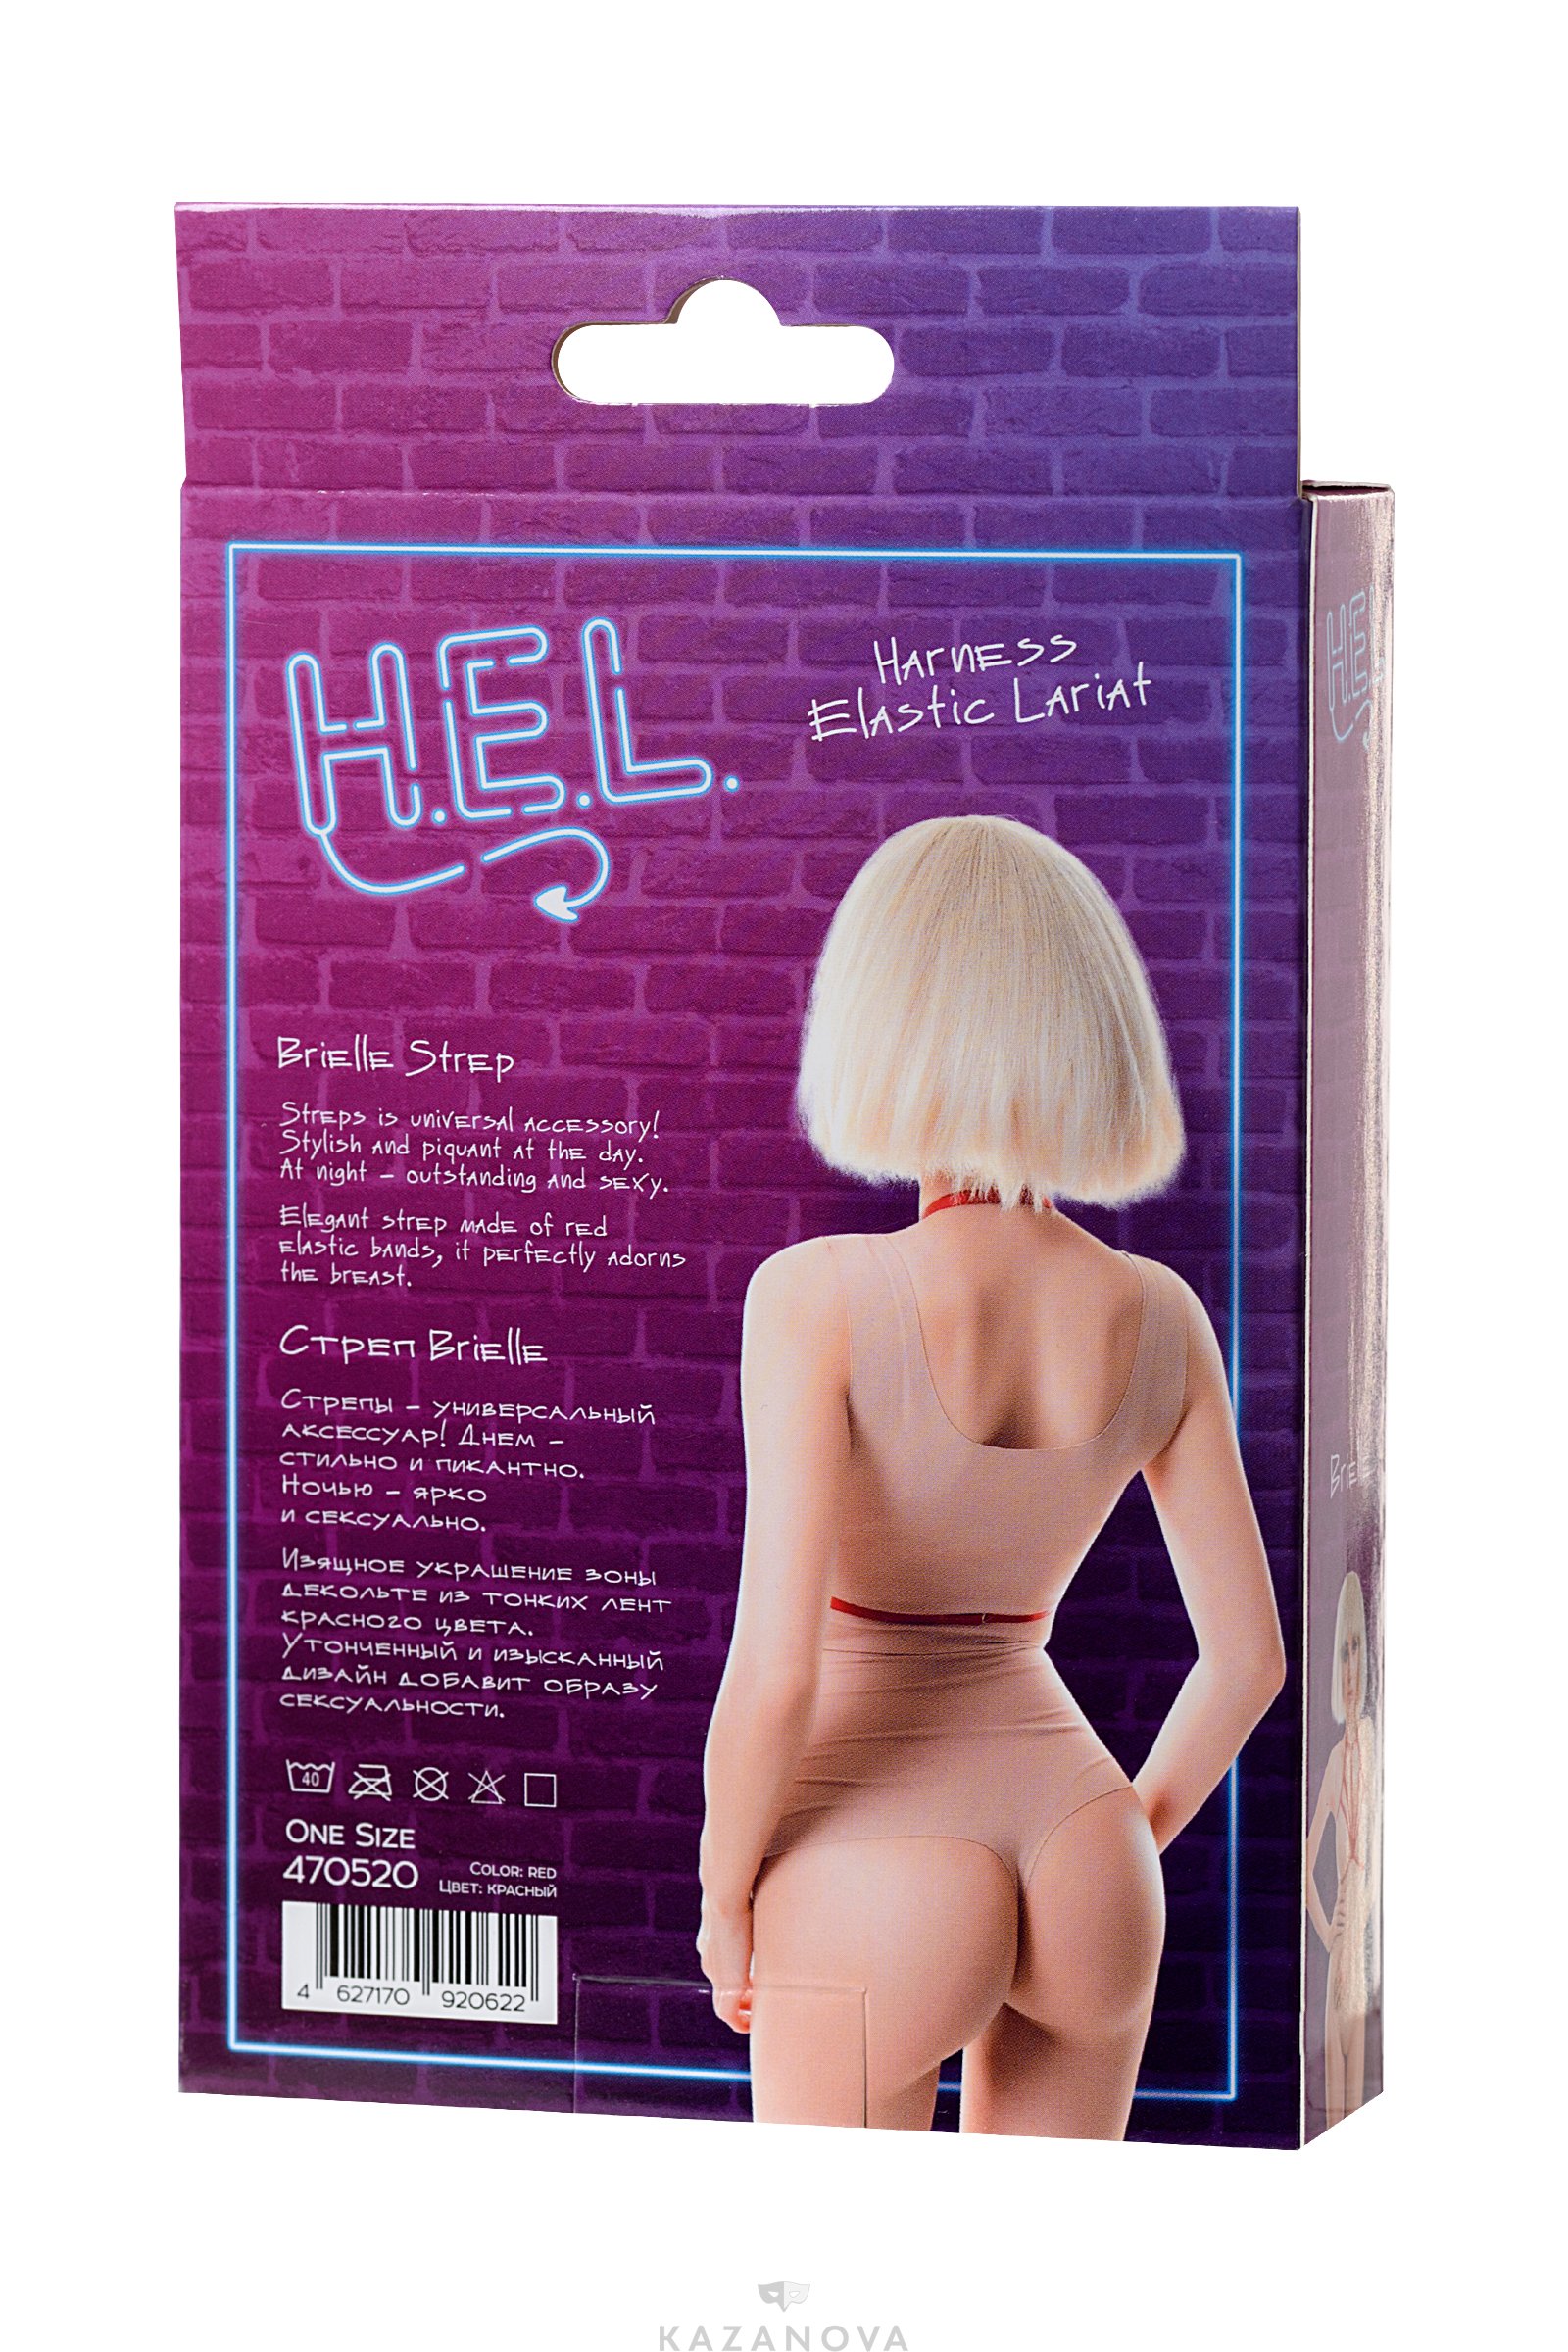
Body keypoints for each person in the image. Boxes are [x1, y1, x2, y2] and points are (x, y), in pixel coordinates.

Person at [696, 813, 1286, 2136]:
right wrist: (1121, 1832)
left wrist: (723, 1895)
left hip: (868, 1847)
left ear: (879, 1023)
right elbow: (1248, 1662)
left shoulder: (817, 1296)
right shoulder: (1161, 1315)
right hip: (1084, 1835)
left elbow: (778, 1674)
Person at [1305, 1570, 1380, 2125]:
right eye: (1342, 1653)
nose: (1350, 1668)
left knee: (1357, 2106)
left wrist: (1365, 1909)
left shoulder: (1373, 1745)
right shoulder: (1334, 1762)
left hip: (1363, 1956)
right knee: (1336, 2106)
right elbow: (1304, 1865)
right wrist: (1326, 1930)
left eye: (1357, 1649)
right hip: (1340, 1966)